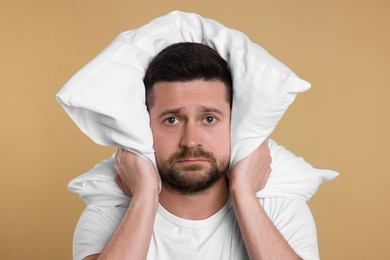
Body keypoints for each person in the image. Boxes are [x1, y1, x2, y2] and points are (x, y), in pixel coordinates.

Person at [76, 42, 318, 260]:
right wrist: (145, 194)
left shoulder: (279, 207)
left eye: (209, 119)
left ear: (233, 125)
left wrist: (244, 193)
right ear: (145, 127)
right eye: (172, 120)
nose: (191, 141)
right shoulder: (109, 214)